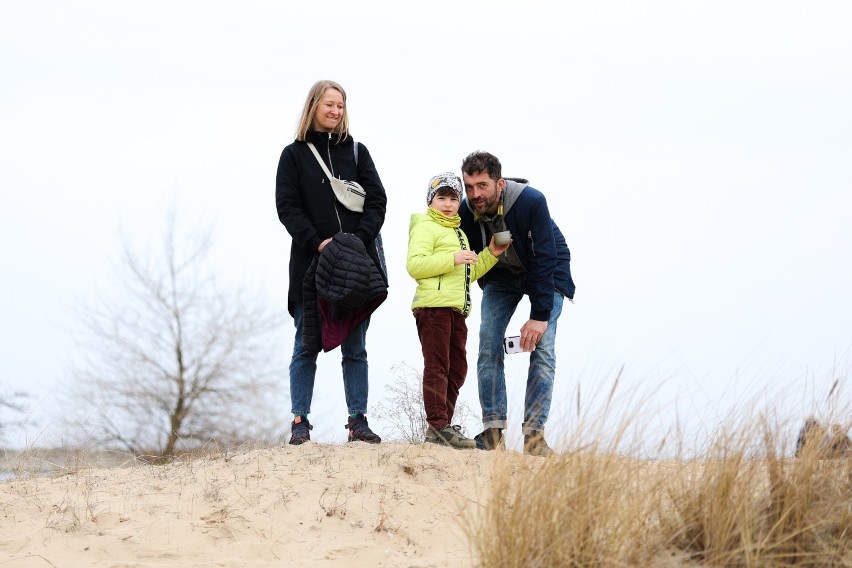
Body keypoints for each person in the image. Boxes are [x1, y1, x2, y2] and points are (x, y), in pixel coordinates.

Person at [275, 80, 387, 445]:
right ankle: (299, 421)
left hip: (356, 268)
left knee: (356, 348)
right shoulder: (293, 155)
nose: (336, 111)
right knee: (305, 345)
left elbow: (377, 201)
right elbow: (287, 207)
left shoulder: (357, 152)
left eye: (341, 105)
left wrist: (359, 240)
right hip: (311, 268)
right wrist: (317, 242)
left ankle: (358, 421)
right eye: (329, 104)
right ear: (313, 106)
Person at [459, 151, 575, 457]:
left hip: (547, 272)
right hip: (502, 276)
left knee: (544, 347)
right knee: (488, 340)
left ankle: (534, 436)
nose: (475, 194)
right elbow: (469, 258)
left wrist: (538, 317)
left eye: (482, 185)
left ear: (499, 183)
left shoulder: (531, 201)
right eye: (469, 186)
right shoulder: (466, 208)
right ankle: (493, 431)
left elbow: (545, 258)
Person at [406, 173, 510, 449]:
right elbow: (415, 266)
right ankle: (438, 425)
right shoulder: (425, 226)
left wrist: (492, 253)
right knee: (438, 366)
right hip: (432, 307)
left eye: (453, 198)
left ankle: (443, 428)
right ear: (431, 201)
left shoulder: (459, 232)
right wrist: (452, 258)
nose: (449, 204)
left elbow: (469, 271)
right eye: (442, 198)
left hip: (457, 309)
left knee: (458, 368)